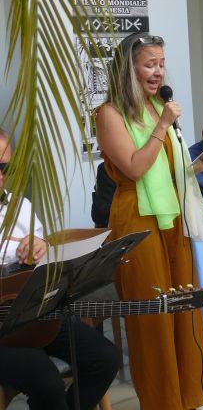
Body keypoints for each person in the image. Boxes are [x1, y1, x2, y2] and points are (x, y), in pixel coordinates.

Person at [95, 32, 203, 409]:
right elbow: (134, 169)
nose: (158, 71)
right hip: (138, 221)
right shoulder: (110, 113)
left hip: (172, 218)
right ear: (129, 68)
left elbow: (166, 170)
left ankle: (190, 396)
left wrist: (199, 165)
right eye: (150, 63)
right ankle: (163, 401)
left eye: (162, 63)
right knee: (153, 316)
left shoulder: (155, 106)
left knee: (183, 306)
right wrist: (163, 126)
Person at [0, 130, 119, 410]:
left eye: (6, 168)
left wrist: (40, 246)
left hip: (33, 313)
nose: (2, 175)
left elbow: (44, 264)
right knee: (47, 380)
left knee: (104, 359)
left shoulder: (21, 207)